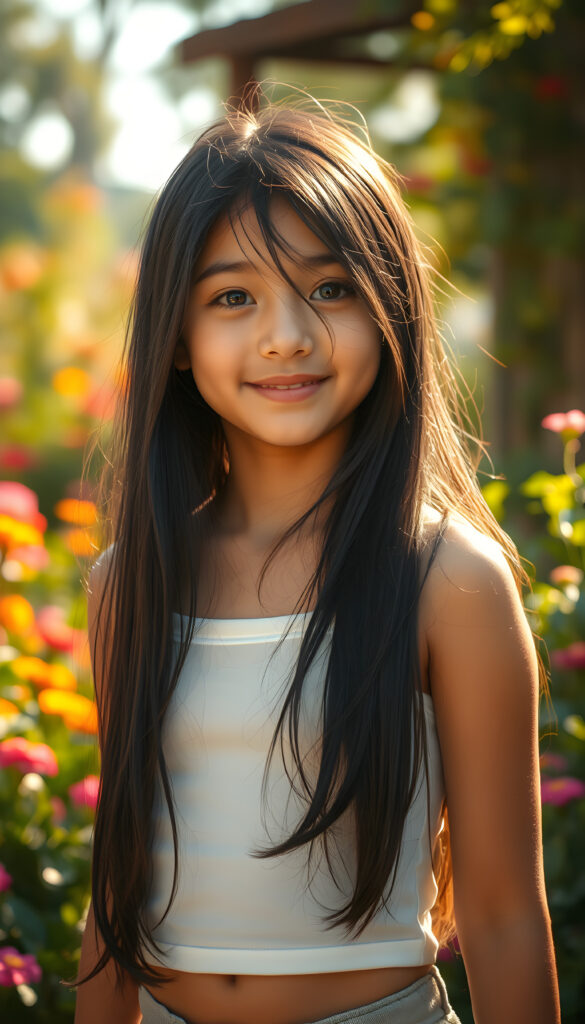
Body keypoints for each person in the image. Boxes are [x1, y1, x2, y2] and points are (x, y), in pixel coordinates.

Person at [72, 94, 560, 1024]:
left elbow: (501, 918)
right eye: (231, 297)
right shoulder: (127, 584)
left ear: (388, 309)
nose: (285, 334)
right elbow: (117, 892)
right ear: (175, 338)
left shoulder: (446, 580)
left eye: (330, 287)